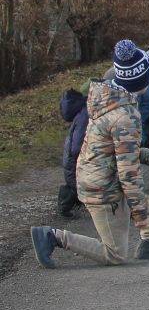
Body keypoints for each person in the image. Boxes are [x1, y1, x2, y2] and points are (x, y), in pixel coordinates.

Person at [31, 41, 149, 268]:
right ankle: (53, 236)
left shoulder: (108, 95)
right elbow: (128, 172)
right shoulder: (124, 115)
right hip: (101, 187)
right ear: (139, 80)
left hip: (104, 173)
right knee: (116, 254)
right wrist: (140, 216)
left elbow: (123, 150)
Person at [56, 88, 88, 218]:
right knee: (74, 183)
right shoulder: (85, 115)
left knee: (76, 182)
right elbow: (77, 143)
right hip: (74, 156)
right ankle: (64, 207)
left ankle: (71, 203)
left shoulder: (84, 112)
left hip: (72, 154)